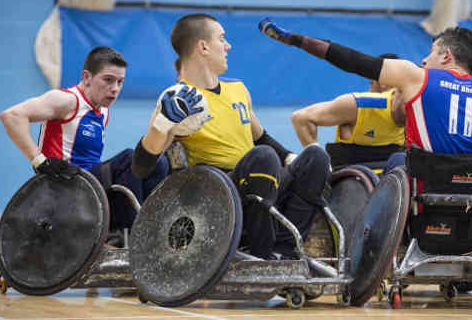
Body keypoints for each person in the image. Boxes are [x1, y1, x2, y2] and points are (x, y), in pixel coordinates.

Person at [131, 13, 331, 260]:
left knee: (316, 156)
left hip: (262, 179)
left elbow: (260, 138)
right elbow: (141, 167)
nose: (228, 46)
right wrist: (162, 125)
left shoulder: (238, 89)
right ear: (203, 46)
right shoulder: (177, 99)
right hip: (218, 193)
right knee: (263, 158)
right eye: (222, 39)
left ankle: (286, 251)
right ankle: (262, 254)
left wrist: (291, 157)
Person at [259, 19, 472, 196]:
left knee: (397, 162)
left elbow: (354, 60)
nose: (425, 60)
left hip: (426, 188)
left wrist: (298, 40)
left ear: (447, 55)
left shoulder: (418, 77)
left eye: (431, 52)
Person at [0, 46, 169, 242]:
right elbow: (11, 116)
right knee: (131, 158)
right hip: (63, 188)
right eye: (108, 80)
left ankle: (148, 228)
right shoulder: (66, 100)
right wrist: (40, 161)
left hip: (91, 190)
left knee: (158, 162)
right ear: (87, 77)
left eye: (120, 82)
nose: (115, 88)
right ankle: (138, 235)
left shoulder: (103, 112)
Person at [290, 53, 406, 172]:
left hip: (392, 180)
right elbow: (300, 118)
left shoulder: (413, 107)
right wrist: (321, 166)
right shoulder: (358, 105)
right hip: (353, 180)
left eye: (371, 82)